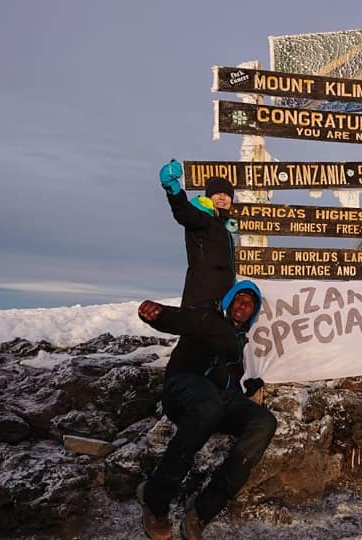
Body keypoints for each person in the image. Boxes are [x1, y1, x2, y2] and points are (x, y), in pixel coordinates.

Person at [136, 280, 276, 540]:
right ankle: (155, 499)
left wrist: (248, 388)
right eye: (239, 298)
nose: (244, 305)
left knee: (264, 422)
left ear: (252, 314)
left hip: (220, 399)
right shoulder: (207, 318)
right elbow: (181, 320)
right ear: (229, 301)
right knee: (208, 406)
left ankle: (202, 510)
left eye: (250, 304)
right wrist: (158, 315)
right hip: (185, 387)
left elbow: (229, 383)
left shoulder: (241, 344)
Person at [141, 159, 240, 354]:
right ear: (208, 197)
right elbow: (184, 213)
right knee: (194, 351)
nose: (222, 197)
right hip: (201, 301)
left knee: (216, 355)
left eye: (227, 194)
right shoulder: (202, 217)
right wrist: (172, 188)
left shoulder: (221, 224)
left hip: (220, 305)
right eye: (217, 193)